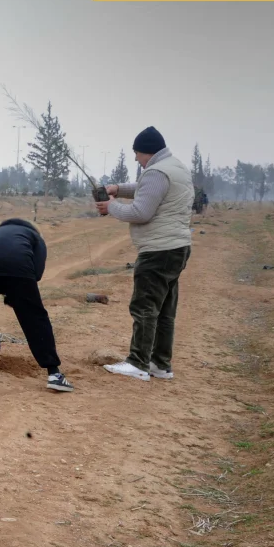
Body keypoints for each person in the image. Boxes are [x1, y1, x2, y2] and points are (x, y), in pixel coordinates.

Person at [95, 126, 194, 382]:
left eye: (137, 154)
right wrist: (118, 188)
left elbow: (140, 212)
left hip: (158, 251)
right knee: (164, 311)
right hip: (177, 248)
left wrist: (111, 207)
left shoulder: (156, 172)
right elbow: (145, 188)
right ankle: (160, 364)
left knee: (145, 306)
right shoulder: (175, 167)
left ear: (147, 152)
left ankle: (138, 363)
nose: (136, 159)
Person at [0, 219, 73, 392]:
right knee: (34, 316)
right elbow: (37, 274)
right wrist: (15, 295)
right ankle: (54, 374)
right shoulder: (36, 237)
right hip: (20, 267)